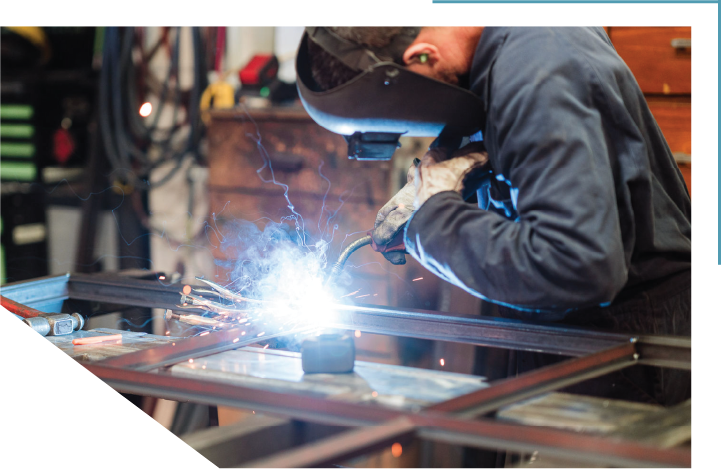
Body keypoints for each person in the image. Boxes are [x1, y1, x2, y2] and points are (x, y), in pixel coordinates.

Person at [300, 26, 693, 407]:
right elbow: (540, 171)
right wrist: (446, 185)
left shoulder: (537, 70)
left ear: (421, 55)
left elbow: (576, 264)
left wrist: (436, 220)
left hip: (625, 342)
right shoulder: (501, 47)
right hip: (589, 325)